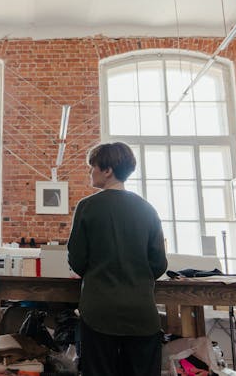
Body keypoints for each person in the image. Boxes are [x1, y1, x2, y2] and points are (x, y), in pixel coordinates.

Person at [67, 142, 168, 376]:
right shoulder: (147, 209)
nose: (90, 171)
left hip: (99, 313)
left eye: (93, 166)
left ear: (107, 170)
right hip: (142, 314)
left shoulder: (87, 207)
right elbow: (159, 265)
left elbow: (77, 261)